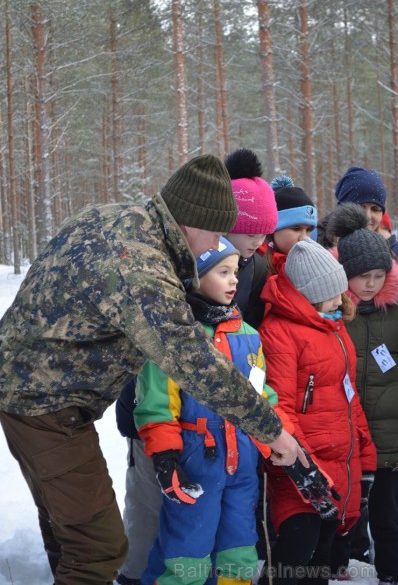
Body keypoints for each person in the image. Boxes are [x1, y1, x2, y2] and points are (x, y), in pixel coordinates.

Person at [0, 154, 304, 585]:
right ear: (193, 223)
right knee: (98, 546)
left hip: (33, 387)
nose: (219, 246)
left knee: (71, 534)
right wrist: (271, 430)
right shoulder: (141, 266)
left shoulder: (116, 217)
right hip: (45, 404)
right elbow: (195, 363)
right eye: (217, 233)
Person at [114, 148, 279, 584]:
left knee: (237, 550)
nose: (235, 278)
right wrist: (166, 449)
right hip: (187, 455)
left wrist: (270, 437)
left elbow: (261, 391)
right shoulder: (172, 321)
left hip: (237, 463)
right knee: (174, 545)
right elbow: (155, 397)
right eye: (223, 270)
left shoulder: (247, 332)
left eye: (236, 271)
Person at [258, 238, 376, 585]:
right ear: (309, 293)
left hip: (340, 462)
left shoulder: (335, 328)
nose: (342, 298)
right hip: (302, 466)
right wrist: (304, 464)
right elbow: (278, 405)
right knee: (298, 546)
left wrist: (365, 455)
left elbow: (349, 399)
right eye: (334, 291)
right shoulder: (279, 332)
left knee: (321, 556)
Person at [327, 203, 398, 585]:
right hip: (347, 436)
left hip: (389, 437)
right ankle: (341, 568)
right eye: (361, 276)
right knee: (343, 511)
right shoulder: (333, 315)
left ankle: (390, 572)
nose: (370, 284)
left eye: (378, 275)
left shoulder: (395, 312)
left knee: (388, 517)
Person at [224, 147, 277, 329]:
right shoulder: (203, 262)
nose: (258, 242)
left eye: (264, 234)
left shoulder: (258, 267)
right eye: (250, 234)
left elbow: (253, 323)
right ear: (228, 227)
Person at [258, 175, 318, 277]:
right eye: (296, 229)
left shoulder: (315, 266)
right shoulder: (255, 266)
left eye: (309, 230)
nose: (304, 238)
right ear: (272, 229)